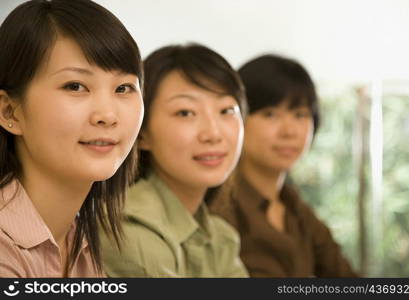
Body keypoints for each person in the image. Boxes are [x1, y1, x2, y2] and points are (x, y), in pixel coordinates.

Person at [0, 0, 144, 277]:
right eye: (75, 86)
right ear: (10, 111)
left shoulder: (80, 240)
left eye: (124, 88)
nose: (107, 115)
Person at [100, 44, 249, 277]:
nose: (213, 133)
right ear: (142, 132)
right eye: (185, 112)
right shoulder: (127, 229)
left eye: (226, 110)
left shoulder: (222, 238)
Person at [209, 54, 358, 277]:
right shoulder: (218, 206)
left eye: (300, 115)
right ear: (236, 119)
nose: (289, 131)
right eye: (270, 115)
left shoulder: (295, 208)